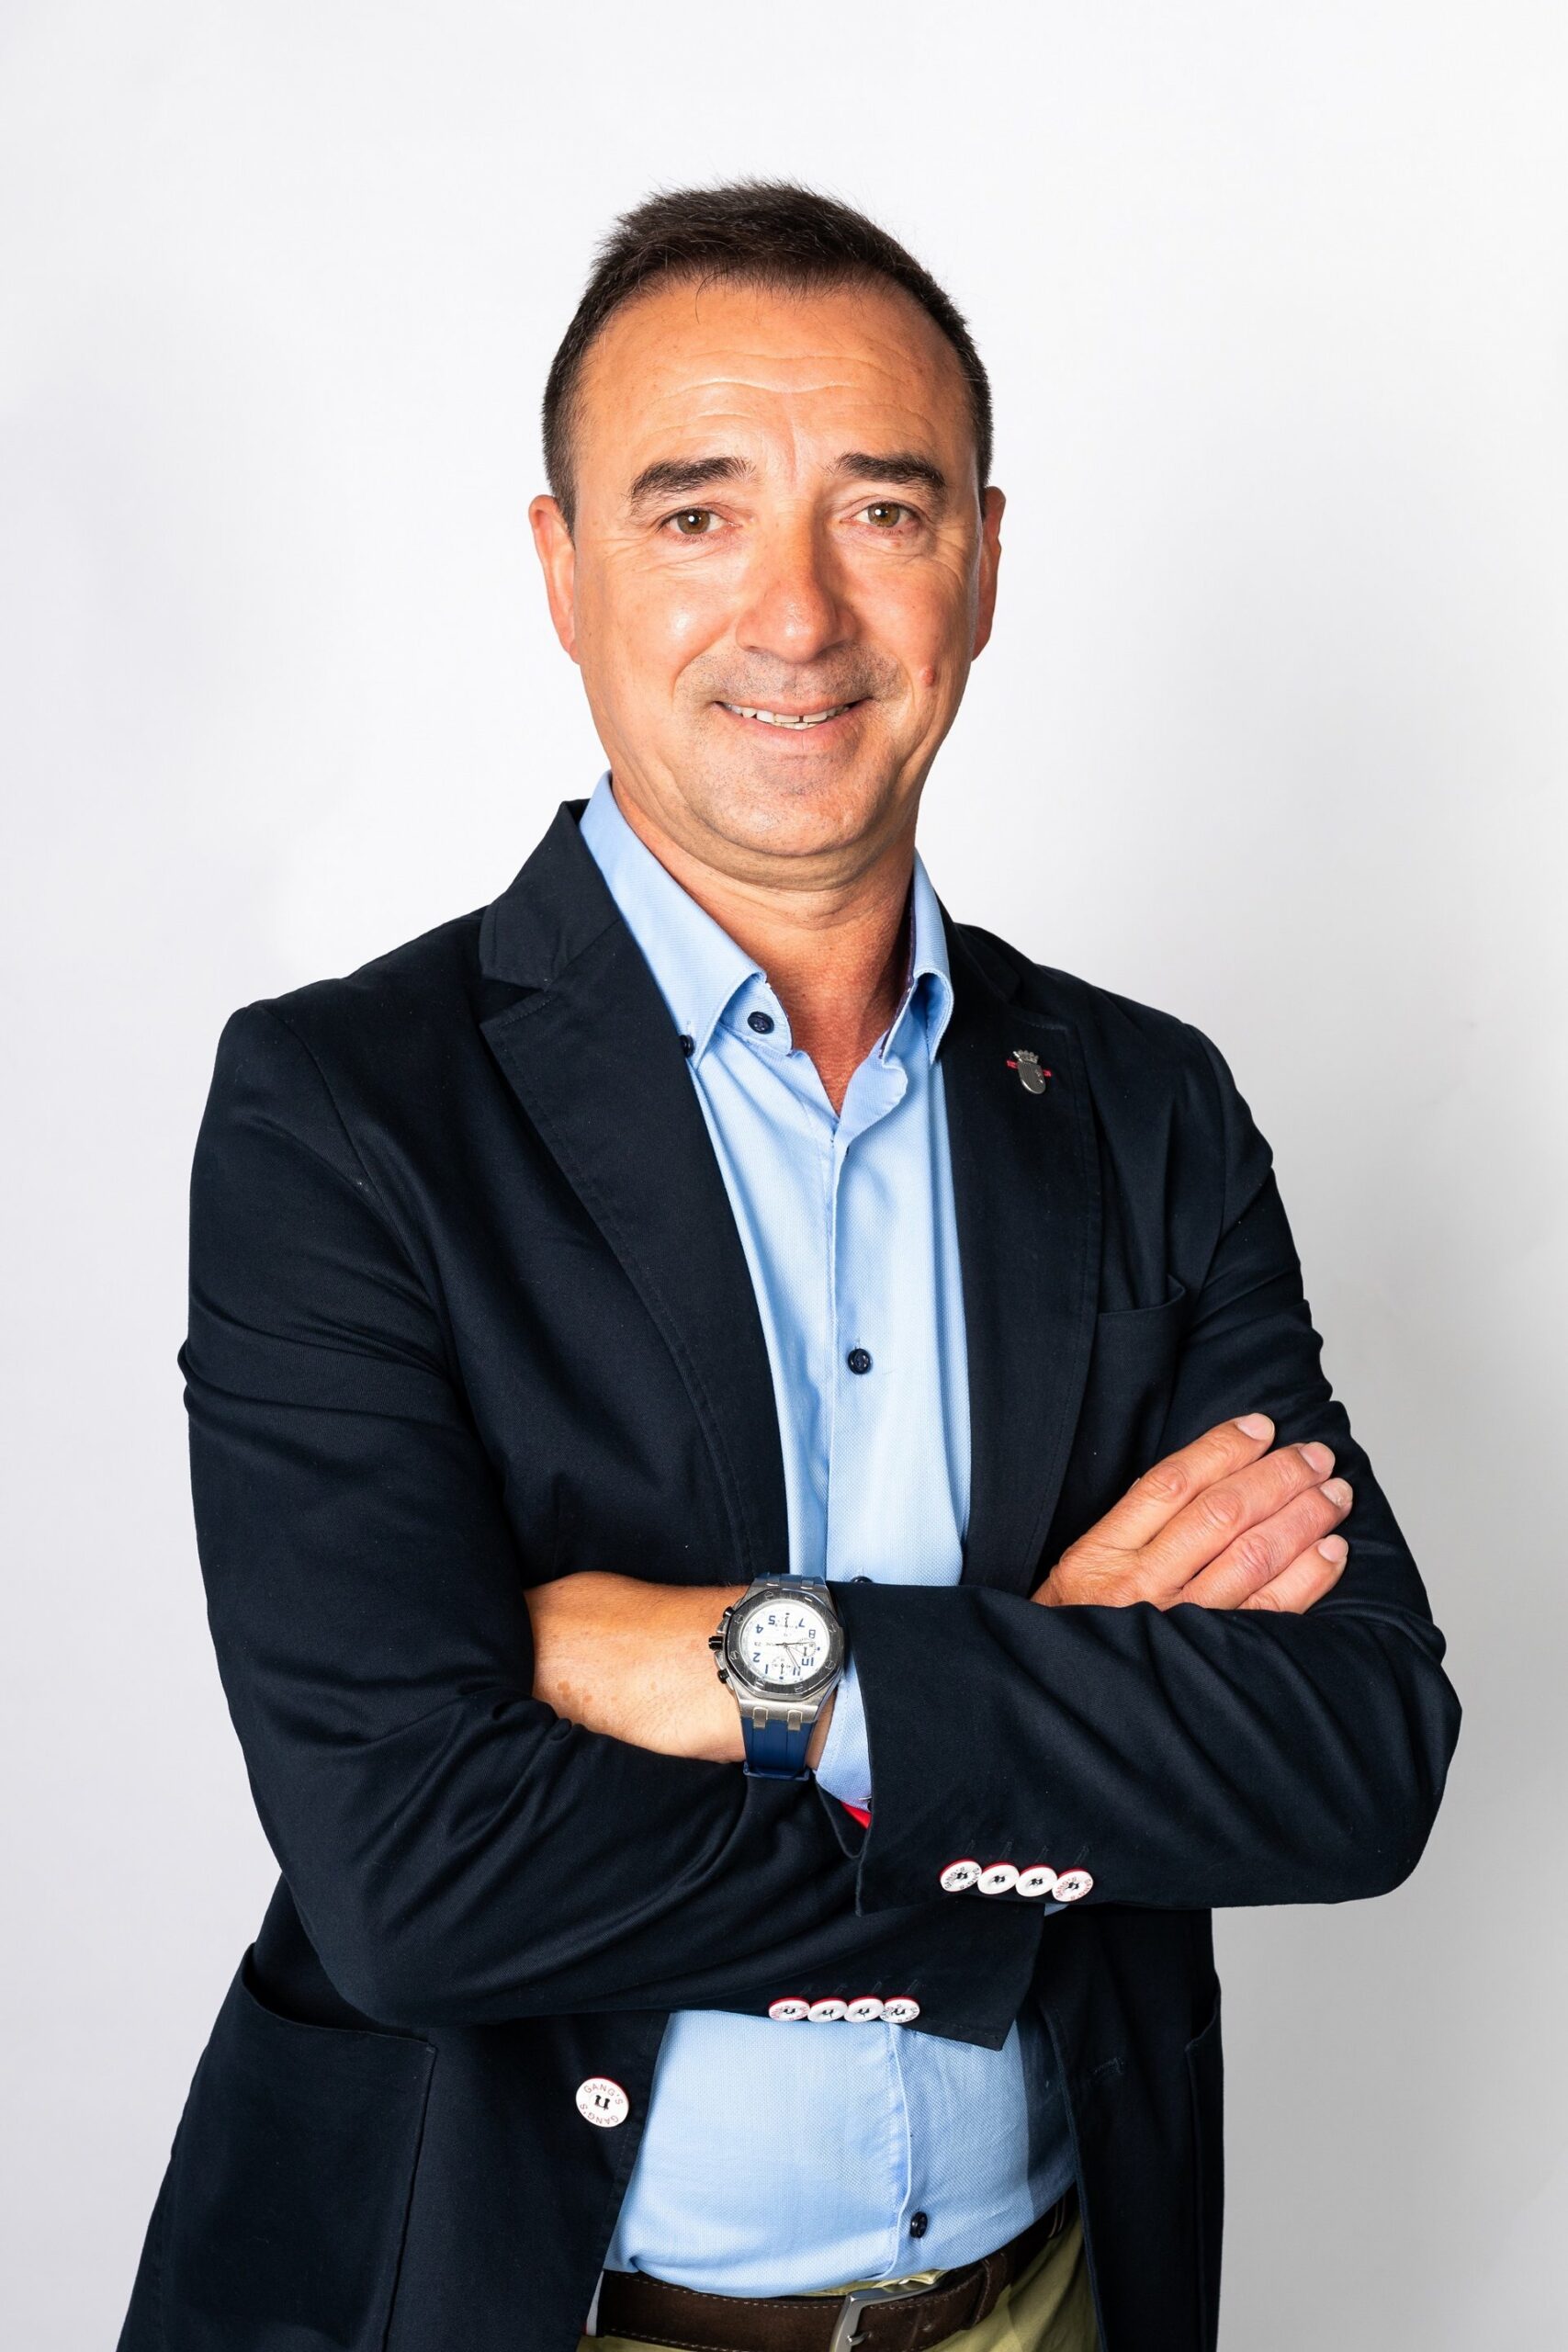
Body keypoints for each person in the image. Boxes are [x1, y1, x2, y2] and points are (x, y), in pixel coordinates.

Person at [116, 181, 1460, 2352]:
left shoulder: (1142, 1107)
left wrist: (787, 1669)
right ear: (561, 569)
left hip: (1041, 2302)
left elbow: (1355, 1749)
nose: (798, 610)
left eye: (882, 512)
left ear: (981, 566)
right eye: (695, 512)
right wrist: (1033, 1740)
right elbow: (417, 1878)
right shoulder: (342, 1111)